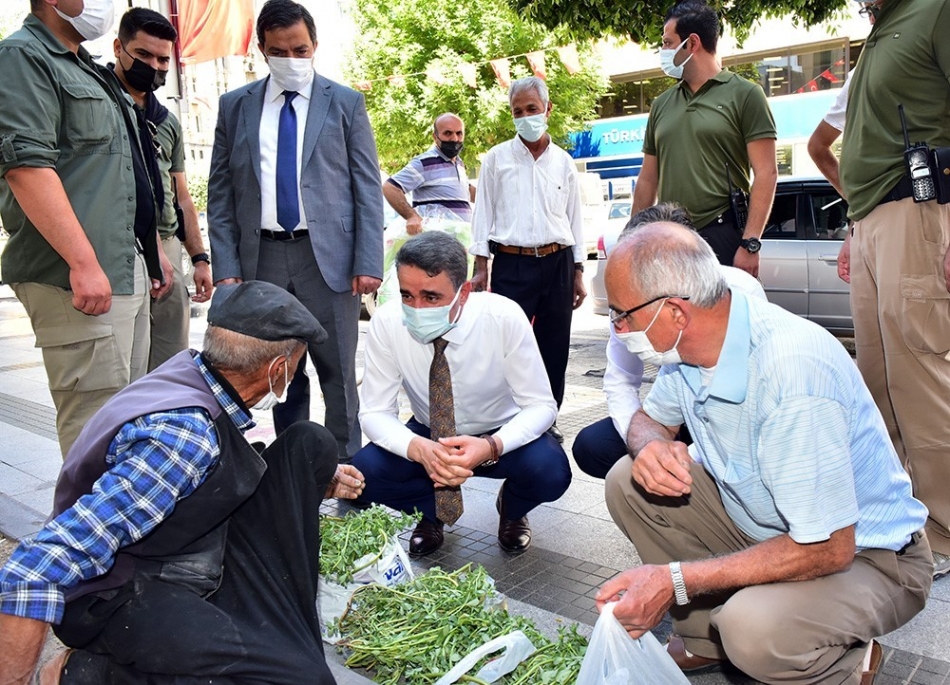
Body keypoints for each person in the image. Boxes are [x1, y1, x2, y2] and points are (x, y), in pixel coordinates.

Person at [595, 222, 931, 684]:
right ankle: (704, 640)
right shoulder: (693, 347)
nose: (617, 329)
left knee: (752, 630)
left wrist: (676, 580)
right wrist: (650, 443)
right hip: (774, 527)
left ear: (674, 311)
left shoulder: (792, 375)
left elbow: (829, 548)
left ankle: (848, 663)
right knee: (627, 480)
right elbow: (647, 420)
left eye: (622, 315)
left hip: (867, 557)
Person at [0, 280, 365, 685]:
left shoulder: (195, 372)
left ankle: (276, 633)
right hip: (118, 592)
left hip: (181, 549)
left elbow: (217, 472)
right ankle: (87, 674)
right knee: (300, 679)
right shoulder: (183, 437)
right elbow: (36, 570)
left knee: (309, 445)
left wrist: (320, 480)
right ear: (277, 369)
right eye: (297, 366)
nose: (294, 376)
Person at [209, 0, 384, 460]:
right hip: (261, 260)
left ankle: (347, 468)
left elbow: (367, 187)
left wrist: (368, 260)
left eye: (300, 49)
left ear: (315, 45)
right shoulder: (234, 107)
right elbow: (220, 194)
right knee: (278, 374)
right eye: (279, 51)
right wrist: (226, 267)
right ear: (262, 50)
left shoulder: (345, 103)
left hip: (328, 260)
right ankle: (294, 470)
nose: (291, 59)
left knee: (338, 373)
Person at [0, 0, 172, 458]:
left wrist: (151, 249)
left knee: (124, 420)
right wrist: (82, 262)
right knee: (93, 431)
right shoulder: (24, 56)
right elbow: (27, 168)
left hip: (121, 266)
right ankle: (84, 510)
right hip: (77, 276)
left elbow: (124, 171)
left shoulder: (87, 68)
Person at [353, 231, 572, 556]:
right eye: (407, 295)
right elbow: (374, 411)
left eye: (431, 297)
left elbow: (541, 405)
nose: (416, 309)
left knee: (550, 471)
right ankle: (431, 514)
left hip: (499, 435)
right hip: (429, 434)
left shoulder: (503, 318)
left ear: (464, 292)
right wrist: (418, 449)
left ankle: (512, 509)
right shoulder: (387, 322)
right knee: (364, 473)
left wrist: (491, 446)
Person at [838, 0, 950, 577]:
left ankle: (945, 532)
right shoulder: (880, 27)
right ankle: (905, 521)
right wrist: (853, 227)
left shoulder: (935, 9)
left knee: (921, 381)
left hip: (918, 208)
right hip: (871, 219)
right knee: (878, 386)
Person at [572, 203, 765, 479]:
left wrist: (687, 457)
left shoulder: (741, 293)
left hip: (733, 424)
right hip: (672, 416)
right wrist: (649, 448)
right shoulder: (628, 303)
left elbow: (749, 411)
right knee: (593, 446)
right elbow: (621, 381)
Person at [470, 76, 586, 440]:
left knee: (554, 346)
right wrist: (480, 266)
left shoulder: (563, 162)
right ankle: (506, 421)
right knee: (507, 346)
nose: (525, 117)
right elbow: (482, 214)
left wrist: (578, 270)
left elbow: (575, 218)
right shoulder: (496, 159)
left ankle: (547, 422)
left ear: (548, 110)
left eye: (532, 109)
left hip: (558, 262)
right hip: (512, 263)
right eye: (517, 111)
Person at [630, 1, 777, 276]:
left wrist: (750, 243)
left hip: (723, 235)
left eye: (667, 42)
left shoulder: (746, 94)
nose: (663, 50)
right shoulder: (661, 104)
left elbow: (766, 172)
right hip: (671, 239)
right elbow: (648, 178)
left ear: (692, 43)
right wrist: (633, 239)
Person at [108, 8, 214, 371]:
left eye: (162, 59)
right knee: (125, 369)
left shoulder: (166, 122)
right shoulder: (102, 106)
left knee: (171, 364)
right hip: (124, 247)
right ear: (118, 48)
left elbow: (181, 195)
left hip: (167, 245)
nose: (153, 66)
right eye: (143, 54)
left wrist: (199, 259)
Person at [383, 112, 476, 234]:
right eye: (448, 133)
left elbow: (464, 190)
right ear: (435, 137)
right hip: (435, 240)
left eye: (459, 133)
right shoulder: (424, 163)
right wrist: (411, 216)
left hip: (460, 238)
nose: (454, 139)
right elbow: (390, 187)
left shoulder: (459, 163)